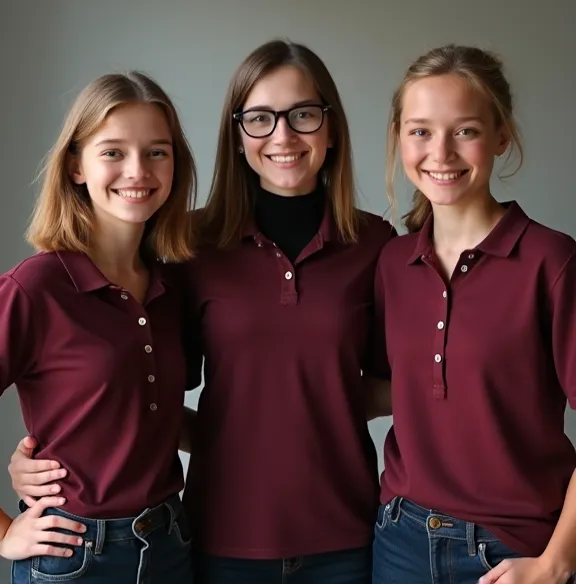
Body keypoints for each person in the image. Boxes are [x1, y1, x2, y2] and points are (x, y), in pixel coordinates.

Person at [9, 40, 395, 584]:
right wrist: (29, 488)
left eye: (304, 115)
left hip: (344, 534)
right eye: (260, 118)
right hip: (216, 537)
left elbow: (389, 387)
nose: (282, 135)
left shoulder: (375, 243)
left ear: (331, 128)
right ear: (237, 135)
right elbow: (138, 398)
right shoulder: (192, 249)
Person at [370, 44, 576, 584]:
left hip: (514, 550)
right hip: (399, 541)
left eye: (464, 130)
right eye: (419, 131)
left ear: (501, 136)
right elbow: (395, 389)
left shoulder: (552, 261)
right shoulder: (393, 261)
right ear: (399, 138)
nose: (440, 152)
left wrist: (556, 564)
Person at [0, 71, 197, 583]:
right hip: (73, 558)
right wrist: (2, 533)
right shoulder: (35, 287)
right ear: (76, 166)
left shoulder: (172, 288)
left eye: (157, 151)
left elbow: (157, 420)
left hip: (171, 546)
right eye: (113, 151)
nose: (138, 170)